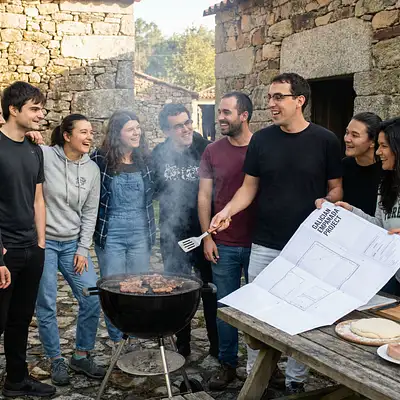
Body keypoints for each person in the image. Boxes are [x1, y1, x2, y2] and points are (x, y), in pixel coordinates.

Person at [210, 73, 343, 394]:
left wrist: (328, 202)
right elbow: (249, 187)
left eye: (278, 97)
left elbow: (336, 188)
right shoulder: (262, 140)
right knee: (258, 313)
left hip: (308, 246)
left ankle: (296, 380)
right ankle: (258, 375)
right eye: (270, 97)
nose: (271, 103)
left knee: (303, 312)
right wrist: (227, 211)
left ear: (299, 101)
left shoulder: (325, 140)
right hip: (265, 243)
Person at [35, 114, 105, 386]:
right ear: (66, 135)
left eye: (91, 132)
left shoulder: (92, 170)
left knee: (91, 296)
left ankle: (81, 355)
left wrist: (82, 249)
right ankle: (56, 359)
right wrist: (29, 137)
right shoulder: (44, 156)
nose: (89, 137)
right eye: (83, 132)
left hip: (72, 245)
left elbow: (90, 212)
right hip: (44, 243)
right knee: (47, 302)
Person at [198, 92, 260, 390]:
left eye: (226, 112)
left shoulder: (263, 147)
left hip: (261, 243)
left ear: (244, 115)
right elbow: (204, 196)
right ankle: (227, 363)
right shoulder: (212, 150)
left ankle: (263, 365)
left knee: (261, 308)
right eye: (219, 112)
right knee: (225, 307)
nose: (219, 118)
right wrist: (207, 236)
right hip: (224, 242)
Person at [0, 82, 56, 397]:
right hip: (4, 251)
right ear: (13, 109)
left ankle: (16, 381)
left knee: (20, 320)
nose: (40, 115)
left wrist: (41, 244)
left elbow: (38, 199)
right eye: (34, 109)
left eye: (42, 109)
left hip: (31, 249)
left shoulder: (35, 148)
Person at [152, 103, 219, 358]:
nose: (186, 129)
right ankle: (182, 345)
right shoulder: (159, 154)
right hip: (173, 235)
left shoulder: (206, 149)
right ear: (166, 131)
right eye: (178, 126)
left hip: (205, 234)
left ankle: (216, 345)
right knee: (177, 290)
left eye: (188, 122)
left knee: (210, 290)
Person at [91, 110, 156, 346]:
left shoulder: (145, 159)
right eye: (130, 129)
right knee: (113, 287)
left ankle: (135, 335)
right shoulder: (99, 159)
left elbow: (157, 191)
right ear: (117, 133)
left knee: (138, 285)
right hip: (111, 234)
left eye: (138, 128)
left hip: (140, 234)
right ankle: (118, 339)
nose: (137, 133)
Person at [337, 117, 400, 296]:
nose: (379, 152)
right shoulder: (385, 185)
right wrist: (351, 211)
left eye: (384, 146)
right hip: (394, 276)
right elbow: (379, 225)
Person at [342, 112, 382, 216]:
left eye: (355, 135)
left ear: (373, 142)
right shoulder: (344, 165)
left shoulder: (387, 170)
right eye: (347, 133)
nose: (347, 139)